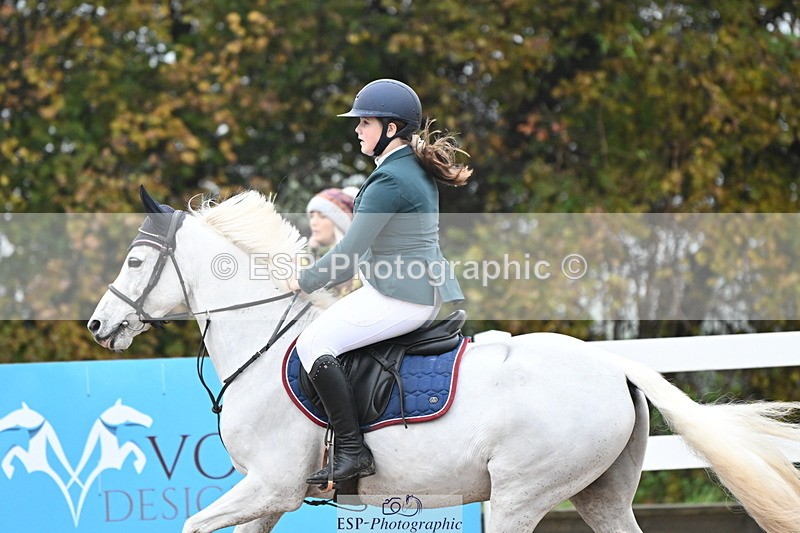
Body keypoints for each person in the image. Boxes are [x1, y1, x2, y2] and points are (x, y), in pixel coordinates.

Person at [288, 79, 472, 486]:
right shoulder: (406, 168)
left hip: (400, 296)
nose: (356, 130)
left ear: (391, 129)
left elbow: (350, 254)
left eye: (365, 122)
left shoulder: (388, 181)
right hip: (408, 289)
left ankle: (352, 451)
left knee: (313, 343)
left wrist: (304, 279)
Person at [305, 186, 360, 297]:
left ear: (340, 224)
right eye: (312, 216)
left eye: (322, 216)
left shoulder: (357, 263)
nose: (314, 222)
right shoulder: (303, 254)